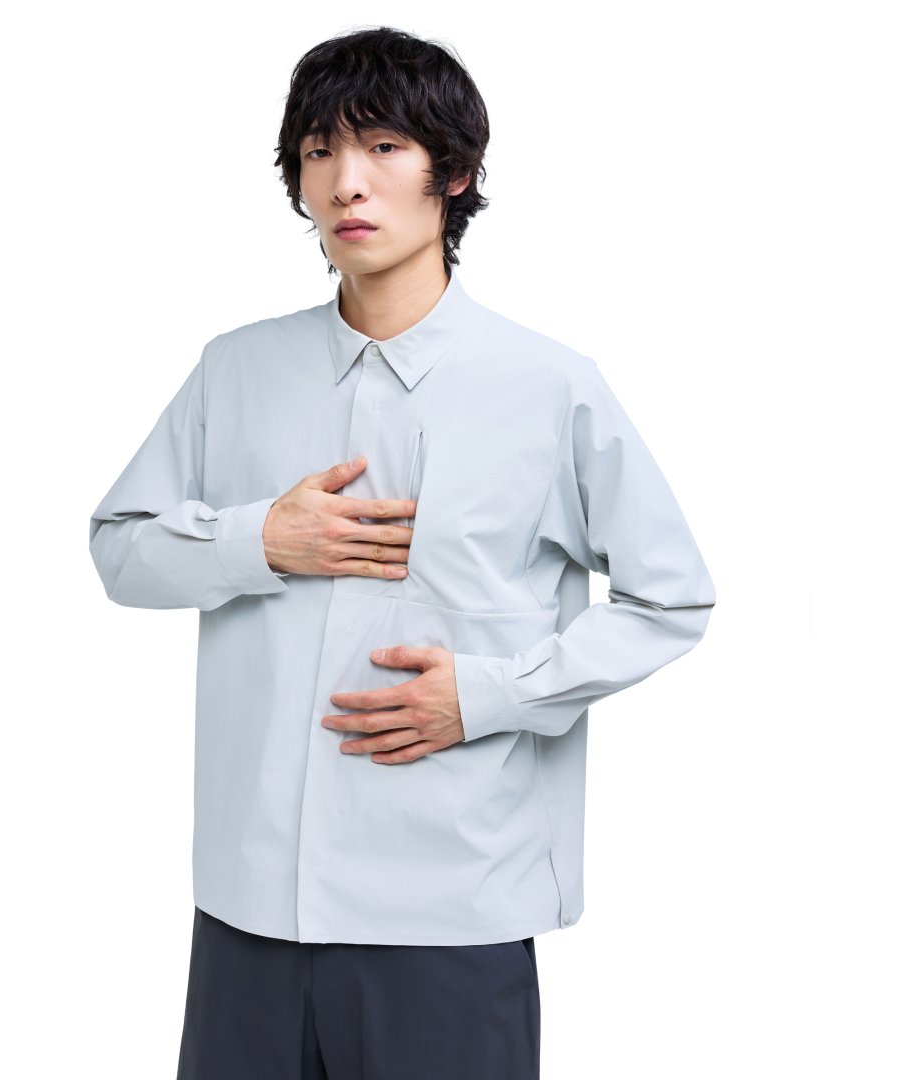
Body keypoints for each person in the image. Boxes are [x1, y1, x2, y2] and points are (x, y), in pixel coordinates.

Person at [88, 25, 716, 1080]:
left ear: (453, 173)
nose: (347, 181)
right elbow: (120, 548)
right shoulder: (236, 369)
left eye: (383, 147)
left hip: (449, 916)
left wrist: (493, 694)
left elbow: (673, 599)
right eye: (320, 151)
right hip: (248, 912)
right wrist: (257, 539)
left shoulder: (547, 385)